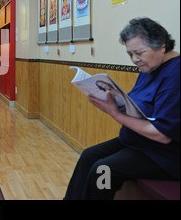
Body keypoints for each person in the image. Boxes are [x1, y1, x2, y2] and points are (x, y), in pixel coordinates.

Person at [64, 17, 180, 200]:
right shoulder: (150, 67)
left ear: (162, 45)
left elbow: (162, 135)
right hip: (139, 142)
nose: (135, 59)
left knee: (103, 170)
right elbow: (138, 104)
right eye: (130, 54)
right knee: (88, 156)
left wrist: (116, 114)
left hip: (165, 155)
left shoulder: (175, 74)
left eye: (139, 52)